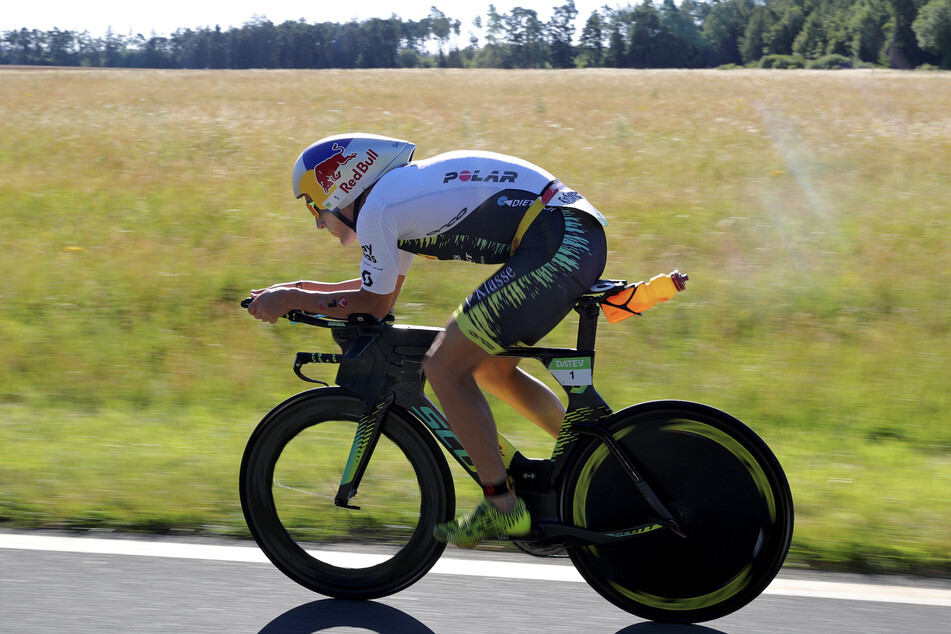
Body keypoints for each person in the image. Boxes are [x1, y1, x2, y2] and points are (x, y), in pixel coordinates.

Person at [248, 133, 608, 547]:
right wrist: (293, 290)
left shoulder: (379, 208)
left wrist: (293, 297)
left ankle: (504, 506)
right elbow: (375, 289)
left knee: (443, 367)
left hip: (559, 242)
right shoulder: (394, 198)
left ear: (341, 184)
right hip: (570, 235)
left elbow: (374, 304)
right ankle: (591, 466)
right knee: (489, 367)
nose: (316, 220)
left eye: (314, 206)